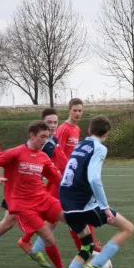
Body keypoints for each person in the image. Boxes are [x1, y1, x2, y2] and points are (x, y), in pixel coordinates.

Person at [55, 115, 134, 268]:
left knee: (87, 245)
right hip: (83, 205)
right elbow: (93, 178)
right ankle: (96, 265)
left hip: (67, 203)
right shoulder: (99, 148)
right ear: (106, 133)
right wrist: (105, 207)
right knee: (128, 228)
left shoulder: (80, 145)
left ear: (89, 131)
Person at [0, 121, 67, 268]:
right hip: (19, 200)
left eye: (48, 136)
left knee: (70, 218)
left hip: (39, 197)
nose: (45, 139)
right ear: (32, 135)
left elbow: (57, 177)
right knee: (10, 224)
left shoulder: (43, 155)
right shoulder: (17, 152)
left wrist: (74, 188)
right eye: (42, 136)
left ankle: (87, 252)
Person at [55, 97, 101, 247]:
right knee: (73, 213)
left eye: (80, 110)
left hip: (76, 177)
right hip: (66, 178)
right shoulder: (63, 129)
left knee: (79, 211)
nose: (77, 113)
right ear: (69, 110)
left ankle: (89, 244)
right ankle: (87, 246)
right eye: (75, 110)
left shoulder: (77, 129)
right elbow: (58, 151)